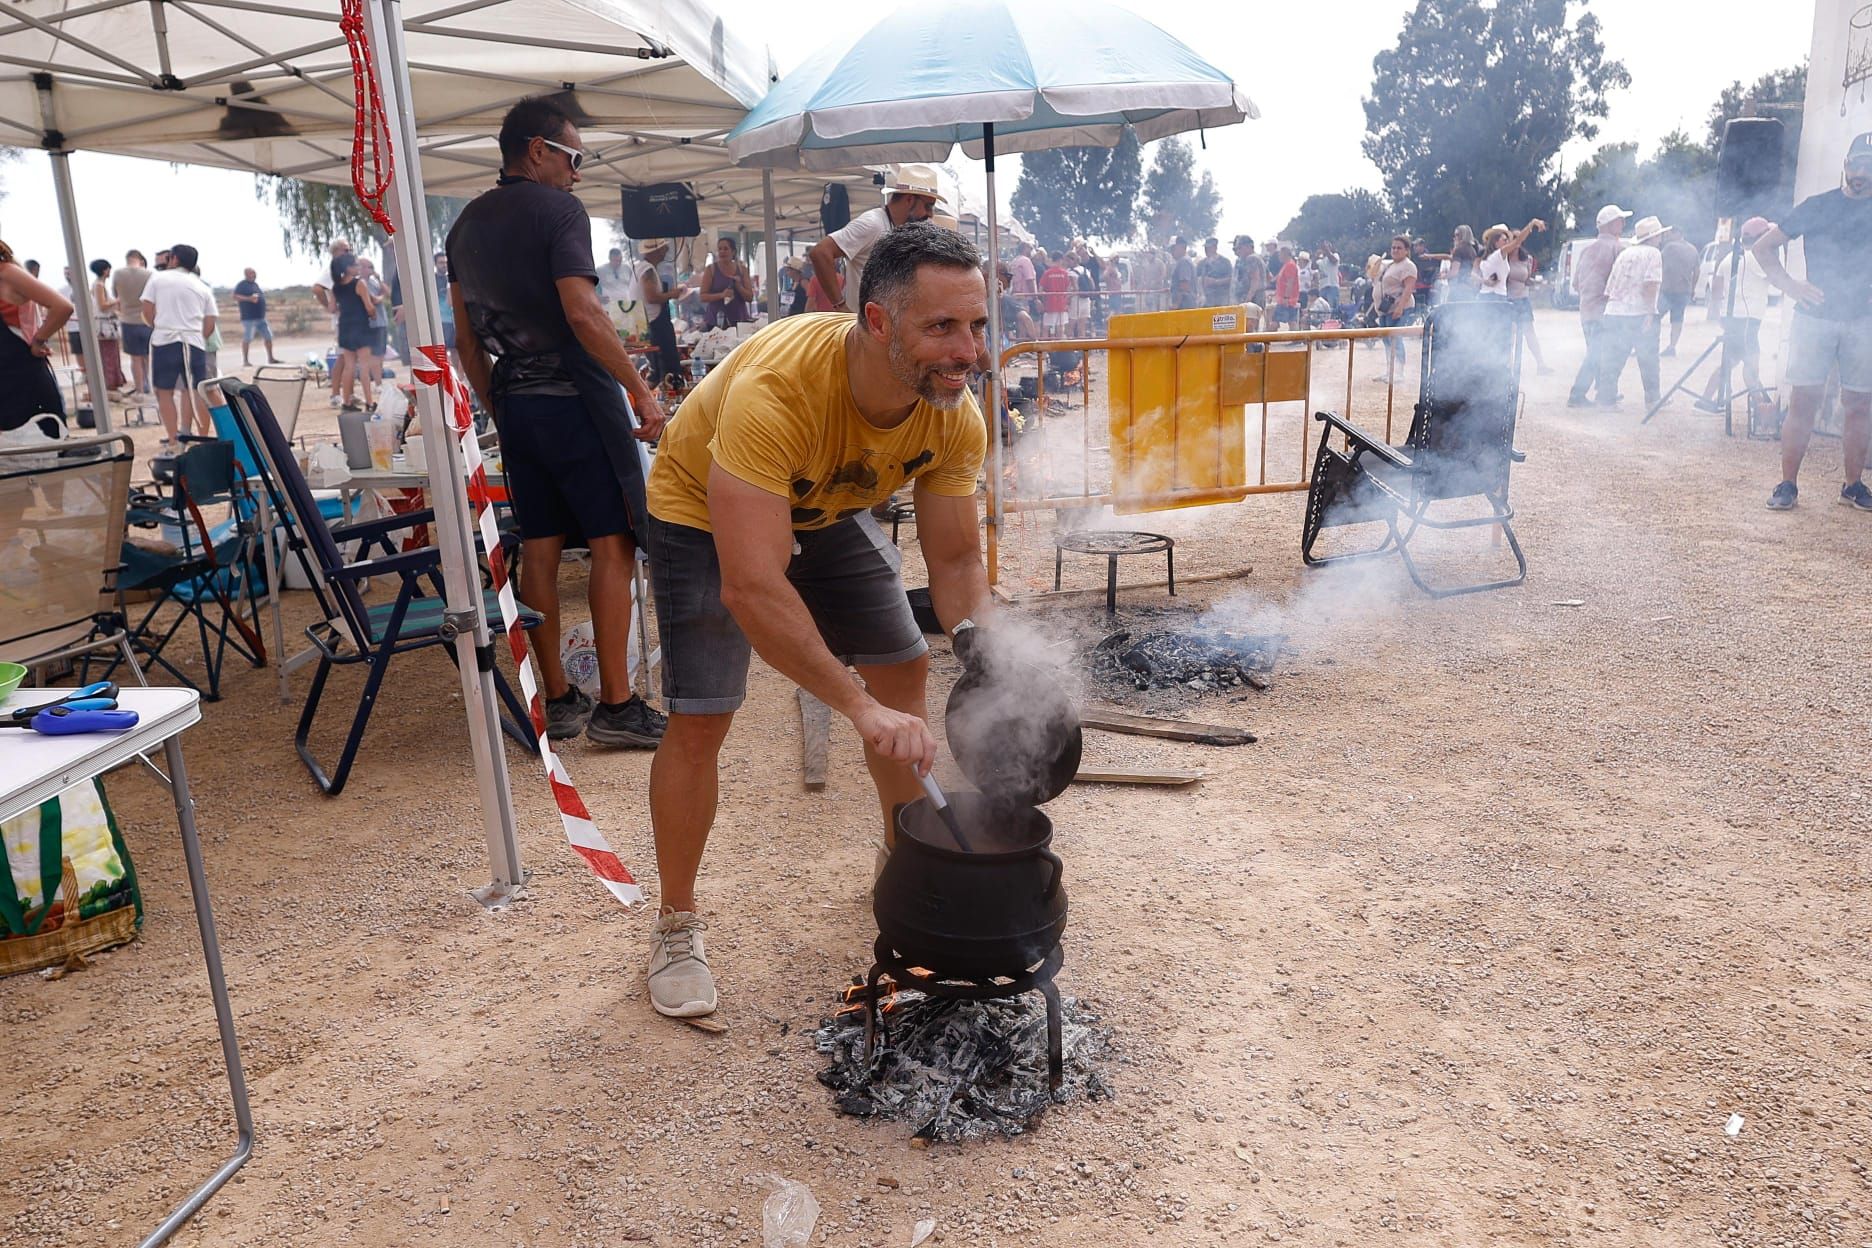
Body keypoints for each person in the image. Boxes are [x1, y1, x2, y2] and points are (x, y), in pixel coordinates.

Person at [640, 223, 994, 1019]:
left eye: (975, 325)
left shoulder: (952, 413)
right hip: (700, 503)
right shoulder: (782, 390)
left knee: (903, 665)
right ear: (876, 320)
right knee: (703, 716)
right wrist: (857, 707)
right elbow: (755, 588)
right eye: (941, 327)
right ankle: (675, 924)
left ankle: (903, 865)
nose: (966, 351)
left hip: (823, 500)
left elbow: (959, 564)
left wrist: (984, 651)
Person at [448, 95, 672, 746]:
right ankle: (618, 707)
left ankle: (558, 697)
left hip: (515, 398)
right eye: (573, 157)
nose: (578, 172)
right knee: (613, 541)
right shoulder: (559, 210)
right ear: (538, 150)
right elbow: (583, 312)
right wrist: (641, 393)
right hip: (575, 394)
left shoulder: (463, 228)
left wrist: (500, 405)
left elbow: (465, 344)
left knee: (539, 545)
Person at [1753, 133, 1872, 512]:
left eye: (1869, 165)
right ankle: (1788, 484)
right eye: (1856, 164)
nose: (1861, 172)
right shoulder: (1818, 206)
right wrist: (1790, 285)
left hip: (1862, 321)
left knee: (1859, 405)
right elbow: (1763, 247)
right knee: (1803, 400)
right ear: (1846, 164)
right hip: (1813, 320)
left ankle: (1853, 485)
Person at [809, 164, 943, 313]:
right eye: (928, 206)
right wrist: (839, 305)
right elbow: (820, 253)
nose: (930, 214)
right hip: (866, 329)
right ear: (910, 200)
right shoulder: (873, 223)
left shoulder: (900, 228)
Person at [140, 242, 216, 444]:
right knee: (195, 391)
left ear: (173, 259)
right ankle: (201, 437)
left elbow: (147, 310)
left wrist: (157, 325)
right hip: (194, 342)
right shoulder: (202, 286)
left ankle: (174, 439)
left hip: (165, 340)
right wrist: (199, 336)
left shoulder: (158, 279)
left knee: (164, 392)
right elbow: (210, 322)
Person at [0, 238, 73, 448]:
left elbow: (62, 306)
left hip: (24, 379)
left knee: (48, 458)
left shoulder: (7, 273)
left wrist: (39, 339)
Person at [1697, 217, 1773, 416]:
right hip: (1749, 320)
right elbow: (1774, 276)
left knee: (1728, 361)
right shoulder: (1759, 257)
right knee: (1751, 367)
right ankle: (1763, 411)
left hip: (1732, 318)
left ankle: (1706, 398)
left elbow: (1716, 288)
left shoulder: (1729, 258)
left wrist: (1719, 314)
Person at [1597, 215, 1668, 412]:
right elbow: (1650, 284)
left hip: (1613, 311)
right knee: (1648, 359)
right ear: (1654, 237)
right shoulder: (1653, 253)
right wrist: (1650, 313)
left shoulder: (1625, 254)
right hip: (1637, 312)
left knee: (1613, 359)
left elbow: (1609, 287)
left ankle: (1606, 400)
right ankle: (1653, 400)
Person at [1567, 204, 1630, 408]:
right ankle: (1578, 394)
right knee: (1600, 355)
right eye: (1620, 220)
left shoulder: (1587, 250)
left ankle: (1604, 392)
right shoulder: (1618, 249)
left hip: (1587, 311)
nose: (1623, 224)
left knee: (1597, 353)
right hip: (1606, 312)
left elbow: (1576, 283)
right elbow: (1622, 283)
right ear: (1611, 224)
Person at [1478, 218, 1551, 371]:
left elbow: (1480, 275)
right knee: (1500, 337)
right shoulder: (1499, 255)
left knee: (1495, 337)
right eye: (1505, 239)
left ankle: (1496, 369)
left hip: (1492, 298)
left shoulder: (1490, 257)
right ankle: (1499, 370)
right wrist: (1531, 224)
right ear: (1497, 242)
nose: (1508, 241)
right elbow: (1517, 242)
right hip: (1496, 299)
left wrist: (1485, 281)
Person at [329, 252, 377, 412]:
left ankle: (346, 401)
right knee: (364, 366)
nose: (358, 268)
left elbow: (332, 308)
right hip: (361, 327)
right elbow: (369, 306)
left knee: (349, 366)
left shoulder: (336, 287)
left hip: (345, 327)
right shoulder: (359, 284)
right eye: (356, 265)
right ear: (348, 268)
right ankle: (369, 402)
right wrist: (373, 313)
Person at [313, 239, 352, 407]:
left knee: (350, 358)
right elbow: (317, 288)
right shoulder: (332, 270)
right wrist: (330, 306)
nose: (349, 252)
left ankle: (347, 393)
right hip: (342, 320)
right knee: (343, 357)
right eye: (345, 250)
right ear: (336, 252)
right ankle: (336, 394)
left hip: (352, 318)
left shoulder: (345, 269)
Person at [113, 249, 154, 395]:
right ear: (140, 260)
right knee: (147, 355)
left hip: (128, 320)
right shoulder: (149, 274)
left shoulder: (118, 274)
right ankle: (148, 382)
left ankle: (140, 388)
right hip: (146, 319)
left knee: (135, 359)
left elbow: (115, 296)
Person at [1375, 235, 1418, 368]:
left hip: (1400, 308)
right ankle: (1390, 370)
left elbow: (1408, 288)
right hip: (1386, 309)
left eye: (1399, 248)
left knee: (1395, 338)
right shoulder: (1390, 265)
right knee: (1387, 340)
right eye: (1393, 247)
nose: (1395, 250)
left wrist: (1400, 307)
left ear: (1406, 250)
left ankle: (1399, 370)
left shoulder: (1408, 266)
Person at [85, 259, 128, 393]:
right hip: (104, 324)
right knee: (109, 353)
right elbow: (102, 305)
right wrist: (117, 301)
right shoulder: (99, 285)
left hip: (105, 323)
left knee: (109, 352)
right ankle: (110, 382)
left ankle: (112, 381)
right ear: (105, 270)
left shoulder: (98, 285)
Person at [1659, 227, 1700, 357]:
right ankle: (1672, 346)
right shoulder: (1693, 249)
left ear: (1678, 234)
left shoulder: (1669, 247)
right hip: (1684, 291)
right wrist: (1692, 288)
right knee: (1677, 320)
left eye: (1670, 234)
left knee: (1654, 317)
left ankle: (1647, 346)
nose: (1668, 237)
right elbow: (1697, 271)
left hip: (1667, 289)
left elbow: (1658, 264)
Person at [699, 236, 755, 330]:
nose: (722, 252)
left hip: (739, 320)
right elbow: (703, 296)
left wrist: (738, 286)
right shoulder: (711, 269)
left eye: (725, 249)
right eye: (720, 249)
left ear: (733, 252)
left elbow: (749, 297)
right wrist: (721, 295)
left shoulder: (742, 270)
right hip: (715, 321)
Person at [232, 266, 278, 366]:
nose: (254, 275)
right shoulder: (242, 285)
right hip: (249, 318)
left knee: (268, 337)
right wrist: (249, 299)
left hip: (261, 317)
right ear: (247, 274)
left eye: (255, 273)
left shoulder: (255, 285)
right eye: (252, 273)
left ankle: (271, 358)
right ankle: (245, 360)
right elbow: (235, 296)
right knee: (247, 338)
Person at [597, 246, 637, 330]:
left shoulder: (627, 268)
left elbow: (634, 284)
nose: (618, 263)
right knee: (612, 329)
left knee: (628, 330)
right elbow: (590, 286)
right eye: (615, 260)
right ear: (610, 258)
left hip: (626, 305)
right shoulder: (600, 270)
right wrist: (598, 297)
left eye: (620, 260)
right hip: (609, 306)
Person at [1038, 249, 1074, 338]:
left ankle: (1044, 351)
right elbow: (1069, 289)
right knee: (1060, 329)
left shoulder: (1047, 273)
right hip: (1062, 305)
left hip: (1049, 305)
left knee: (1046, 328)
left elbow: (1040, 290)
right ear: (1060, 260)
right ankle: (1059, 350)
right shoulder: (1065, 273)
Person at [1197, 237, 1233, 306]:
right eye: (1205, 248)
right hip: (1206, 300)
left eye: (1209, 248)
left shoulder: (1225, 262)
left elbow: (1231, 279)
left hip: (1221, 298)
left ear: (1215, 247)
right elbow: (1197, 279)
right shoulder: (1201, 263)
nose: (1207, 250)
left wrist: (1216, 282)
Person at [1233, 235, 1265, 309]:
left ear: (1247, 246)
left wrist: (1248, 299)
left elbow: (1255, 279)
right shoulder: (1259, 258)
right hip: (1259, 297)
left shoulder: (1251, 258)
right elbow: (1268, 277)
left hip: (1253, 300)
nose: (1238, 251)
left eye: (1240, 248)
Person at [1272, 246, 1301, 327]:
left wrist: (1286, 298)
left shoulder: (1290, 265)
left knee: (1275, 321)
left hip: (1286, 300)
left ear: (1285, 254)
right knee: (1291, 321)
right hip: (1285, 299)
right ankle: (1297, 339)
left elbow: (1290, 282)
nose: (1279, 257)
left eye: (1280, 254)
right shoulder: (1286, 265)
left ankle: (1266, 339)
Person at [1315, 242, 1341, 315]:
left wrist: (1327, 250)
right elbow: (1313, 266)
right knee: (1322, 310)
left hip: (1332, 286)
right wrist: (1316, 256)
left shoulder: (1335, 255)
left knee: (1332, 310)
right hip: (1322, 287)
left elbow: (1334, 260)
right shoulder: (1320, 260)